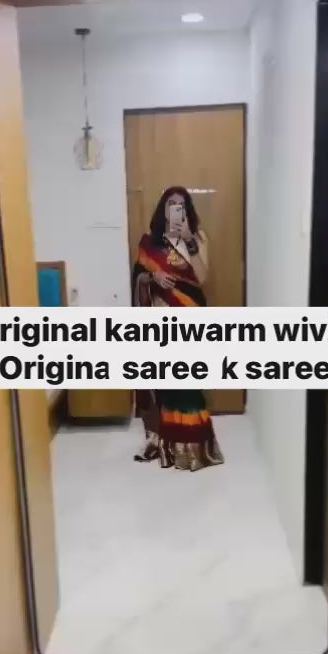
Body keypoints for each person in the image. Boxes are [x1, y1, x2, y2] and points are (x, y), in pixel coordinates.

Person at [132, 185, 224, 472]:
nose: (176, 209)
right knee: (166, 384)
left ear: (187, 210)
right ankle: (168, 446)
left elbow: (202, 277)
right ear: (163, 208)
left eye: (181, 205)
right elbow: (138, 277)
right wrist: (153, 276)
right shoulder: (150, 242)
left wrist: (189, 241)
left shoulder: (198, 237)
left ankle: (195, 447)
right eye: (171, 204)